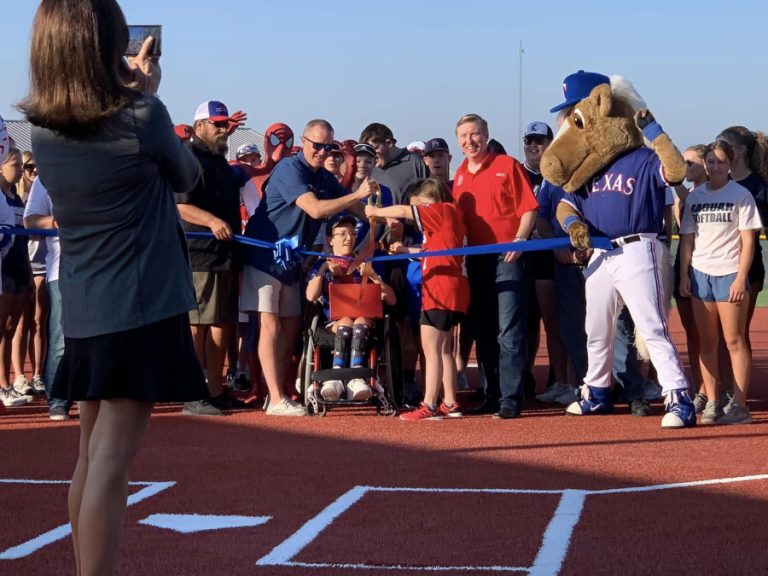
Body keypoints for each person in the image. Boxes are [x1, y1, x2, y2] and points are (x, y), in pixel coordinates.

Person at [20, 1, 208, 574]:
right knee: (111, 466)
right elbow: (188, 175)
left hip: (83, 303)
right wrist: (145, 90)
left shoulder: (42, 130)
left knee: (89, 458)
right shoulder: (140, 115)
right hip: (141, 303)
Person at [242, 119, 375, 416]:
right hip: (265, 255)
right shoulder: (291, 169)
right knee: (270, 323)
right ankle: (274, 396)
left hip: (292, 262)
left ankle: (277, 391)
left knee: (291, 324)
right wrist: (356, 194)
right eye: (317, 145)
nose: (323, 151)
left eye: (329, 146)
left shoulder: (324, 178)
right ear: (304, 143)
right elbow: (316, 208)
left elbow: (353, 209)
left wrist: (382, 217)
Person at [453, 113, 538, 419]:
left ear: (486, 135)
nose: (469, 141)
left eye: (474, 134)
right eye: (463, 136)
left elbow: (528, 208)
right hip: (476, 261)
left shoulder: (508, 165)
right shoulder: (459, 175)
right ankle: (492, 394)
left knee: (509, 330)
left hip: (508, 258)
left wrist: (519, 238)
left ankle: (512, 398)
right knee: (484, 331)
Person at [366, 177, 469, 420]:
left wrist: (375, 211)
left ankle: (430, 403)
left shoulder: (442, 211)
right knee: (443, 349)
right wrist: (403, 250)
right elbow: (431, 252)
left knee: (431, 349)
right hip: (453, 289)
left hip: (440, 289)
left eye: (421, 206)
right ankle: (450, 401)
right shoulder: (449, 220)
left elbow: (403, 211)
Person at [177, 100, 252, 416]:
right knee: (198, 325)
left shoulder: (219, 160)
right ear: (200, 127)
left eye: (226, 125)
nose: (224, 129)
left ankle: (215, 390)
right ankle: (193, 394)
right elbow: (180, 205)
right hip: (199, 256)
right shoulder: (189, 159)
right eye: (217, 124)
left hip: (224, 255)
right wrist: (211, 221)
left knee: (222, 323)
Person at [679, 141, 763, 425]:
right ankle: (713, 401)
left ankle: (739, 405)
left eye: (721, 162)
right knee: (707, 342)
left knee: (734, 340)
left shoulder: (741, 195)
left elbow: (748, 241)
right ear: (705, 165)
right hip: (701, 275)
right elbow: (687, 241)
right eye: (710, 162)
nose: (715, 167)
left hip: (729, 274)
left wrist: (741, 278)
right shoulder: (694, 198)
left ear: (729, 165)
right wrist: (684, 275)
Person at [305, 216, 396, 401]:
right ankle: (336, 378)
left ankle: (357, 377)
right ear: (331, 239)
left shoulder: (364, 264)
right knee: (346, 320)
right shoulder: (322, 264)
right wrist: (323, 269)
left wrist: (373, 276)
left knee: (359, 320)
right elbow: (310, 296)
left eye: (352, 234)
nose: (349, 238)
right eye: (343, 234)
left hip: (365, 322)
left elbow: (392, 300)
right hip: (334, 322)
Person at [519, 121, 569, 401]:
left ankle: (559, 377)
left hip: (551, 258)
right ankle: (524, 375)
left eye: (539, 140)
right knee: (525, 322)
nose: (533, 146)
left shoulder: (556, 175)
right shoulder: (518, 174)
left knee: (555, 322)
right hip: (523, 257)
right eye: (529, 140)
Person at [23, 178, 70, 419]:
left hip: (100, 266)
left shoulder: (100, 165)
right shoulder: (47, 178)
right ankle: (58, 398)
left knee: (98, 336)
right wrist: (53, 221)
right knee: (61, 336)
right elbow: (29, 220)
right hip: (61, 269)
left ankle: (90, 393)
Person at [672, 145, 708, 412]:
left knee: (710, 334)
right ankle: (700, 389)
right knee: (691, 334)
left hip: (707, 268)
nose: (686, 167)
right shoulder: (683, 196)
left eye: (691, 163)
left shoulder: (712, 194)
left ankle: (715, 388)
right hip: (683, 267)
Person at [0, 148, 35, 401]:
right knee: (2, 327)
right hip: (4, 267)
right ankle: (3, 384)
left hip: (21, 265)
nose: (20, 169)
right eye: (16, 164)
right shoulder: (1, 197)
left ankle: (12, 380)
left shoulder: (18, 199)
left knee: (12, 327)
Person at [360, 122, 428, 203]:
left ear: (389, 143)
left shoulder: (414, 162)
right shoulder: (368, 169)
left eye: (375, 148)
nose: (371, 155)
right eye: (368, 152)